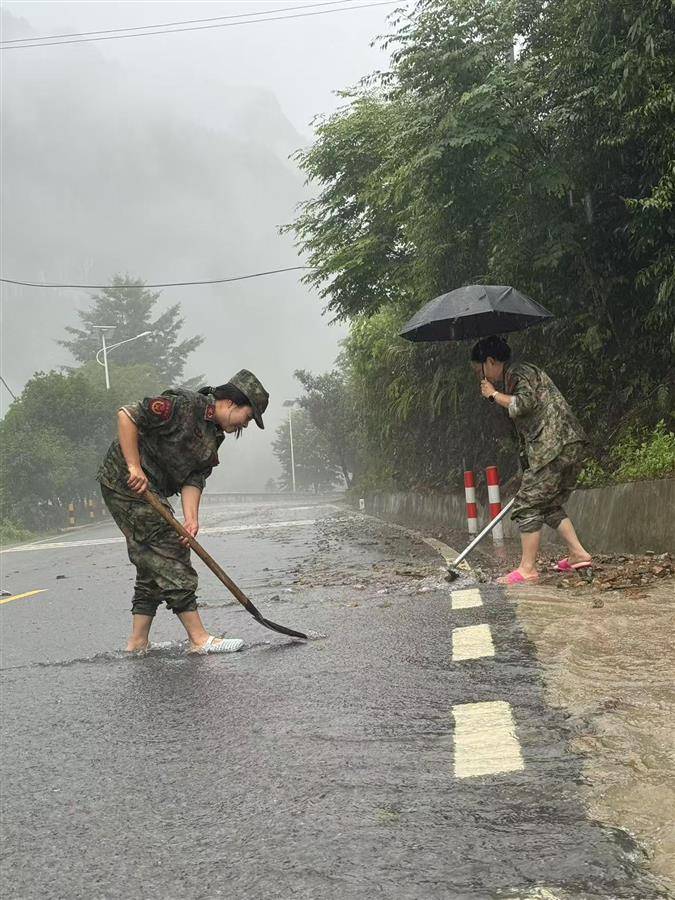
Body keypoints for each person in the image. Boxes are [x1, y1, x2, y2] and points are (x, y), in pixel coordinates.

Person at [97, 369, 269, 652]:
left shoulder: (215, 435)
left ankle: (137, 642)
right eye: (248, 417)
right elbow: (127, 415)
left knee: (152, 560)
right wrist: (133, 466)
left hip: (151, 488)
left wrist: (191, 519)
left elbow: (194, 476)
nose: (246, 425)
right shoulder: (184, 405)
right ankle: (198, 638)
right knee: (169, 548)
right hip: (125, 482)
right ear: (231, 403)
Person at [471, 336, 592, 584]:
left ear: (491, 361)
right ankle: (578, 553)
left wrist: (494, 394)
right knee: (548, 503)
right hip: (566, 444)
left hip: (554, 445)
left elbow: (524, 404)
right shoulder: (514, 375)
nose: (480, 376)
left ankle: (527, 569)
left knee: (527, 503)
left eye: (479, 369)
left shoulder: (518, 372)